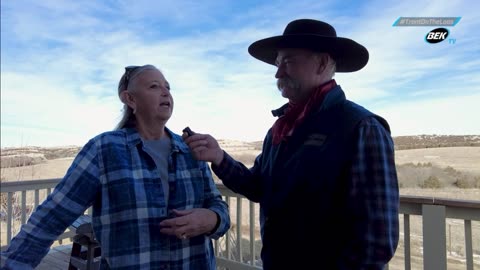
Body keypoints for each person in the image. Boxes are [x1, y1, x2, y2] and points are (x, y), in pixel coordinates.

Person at [184, 19, 399, 269]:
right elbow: (259, 187)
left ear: (321, 63)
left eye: (288, 61)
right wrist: (219, 157)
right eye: (277, 63)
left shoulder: (362, 127)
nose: (278, 73)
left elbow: (376, 240)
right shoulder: (282, 130)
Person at [0, 64, 230, 270]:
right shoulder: (104, 150)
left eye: (167, 87)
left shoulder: (190, 150)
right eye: (154, 86)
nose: (166, 92)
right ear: (130, 99)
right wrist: (13, 264)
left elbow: (218, 206)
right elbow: (53, 215)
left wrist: (212, 219)